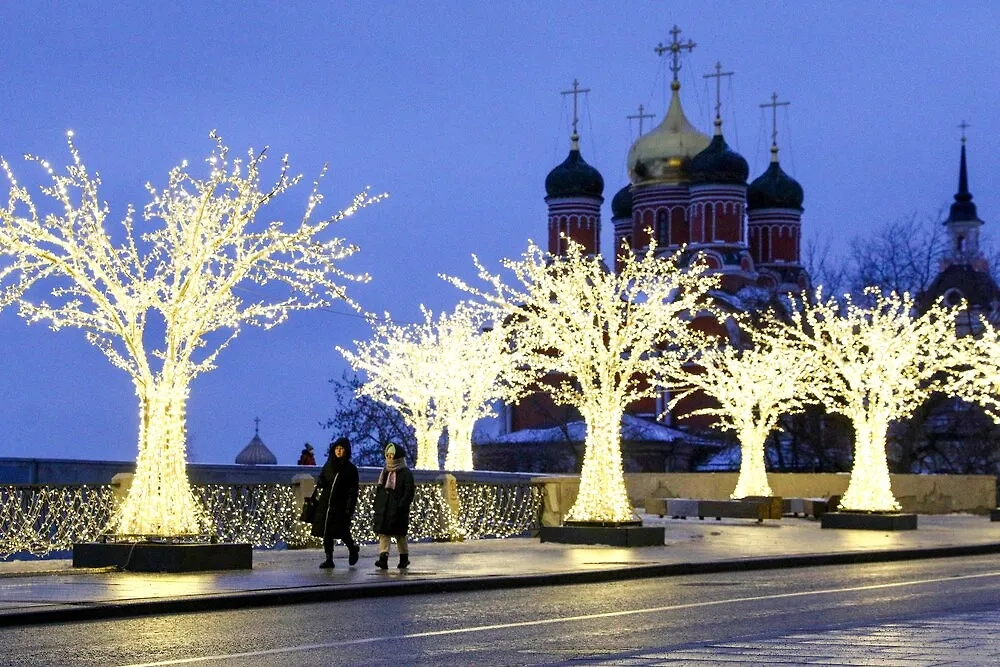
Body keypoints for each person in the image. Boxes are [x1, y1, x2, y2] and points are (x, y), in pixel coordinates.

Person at [310, 437, 360, 568]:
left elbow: (353, 490)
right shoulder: (329, 465)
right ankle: (329, 558)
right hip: (326, 503)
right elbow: (322, 481)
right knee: (327, 532)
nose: (338, 451)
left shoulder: (351, 469)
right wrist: (321, 482)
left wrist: (349, 508)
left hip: (340, 504)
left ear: (346, 450)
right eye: (337, 448)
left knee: (342, 531)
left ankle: (352, 549)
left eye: (341, 448)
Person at [372, 442, 415, 570]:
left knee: (400, 535)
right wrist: (378, 504)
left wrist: (401, 505)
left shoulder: (405, 473)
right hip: (385, 508)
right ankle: (383, 559)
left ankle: (404, 558)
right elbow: (380, 489)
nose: (390, 457)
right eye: (388, 455)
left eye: (392, 455)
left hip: (398, 509)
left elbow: (409, 492)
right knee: (384, 534)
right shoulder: (385, 471)